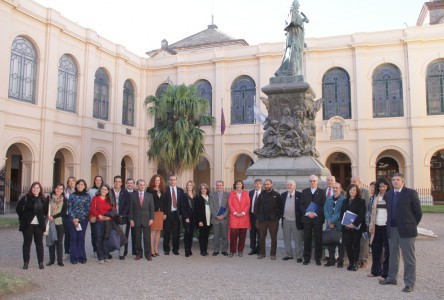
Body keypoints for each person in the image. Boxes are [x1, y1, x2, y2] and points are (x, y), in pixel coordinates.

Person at [379, 173, 422, 293]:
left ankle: (409, 283)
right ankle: (392, 278)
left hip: (406, 230)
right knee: (392, 255)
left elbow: (418, 213)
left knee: (409, 258)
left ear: (403, 181)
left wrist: (410, 224)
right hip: (392, 229)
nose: (395, 181)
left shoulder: (410, 193)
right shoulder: (389, 194)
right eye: (393, 180)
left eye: (398, 180)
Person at [16, 181, 48, 270]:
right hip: (27, 224)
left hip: (39, 225)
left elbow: (46, 211)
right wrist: (24, 217)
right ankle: (26, 263)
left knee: (39, 244)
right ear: (31, 189)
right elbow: (18, 208)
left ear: (40, 189)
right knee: (27, 244)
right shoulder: (26, 197)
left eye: (37, 188)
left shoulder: (43, 199)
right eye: (34, 187)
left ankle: (40, 263)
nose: (35, 189)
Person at [274, 0, 309, 77]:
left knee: (295, 56)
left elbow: (300, 29)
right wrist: (303, 20)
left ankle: (292, 72)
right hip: (293, 38)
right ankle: (287, 72)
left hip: (297, 38)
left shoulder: (296, 13)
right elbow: (292, 22)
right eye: (297, 4)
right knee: (292, 55)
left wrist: (303, 42)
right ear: (294, 4)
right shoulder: (292, 11)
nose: (299, 6)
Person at [300, 175, 326, 265]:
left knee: (318, 239)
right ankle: (306, 258)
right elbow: (301, 205)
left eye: (314, 181)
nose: (312, 182)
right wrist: (307, 213)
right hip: (307, 219)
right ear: (309, 182)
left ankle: (318, 258)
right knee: (307, 239)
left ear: (317, 181)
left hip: (317, 219)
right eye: (311, 181)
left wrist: (315, 213)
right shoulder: (304, 191)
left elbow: (323, 205)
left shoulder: (322, 192)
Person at [254, 179, 282, 260]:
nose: (266, 186)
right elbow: (256, 207)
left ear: (271, 185)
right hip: (262, 221)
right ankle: (262, 253)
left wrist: (277, 217)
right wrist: (259, 217)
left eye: (268, 184)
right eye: (265, 184)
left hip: (273, 221)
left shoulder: (276, 195)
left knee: (274, 238)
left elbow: (280, 208)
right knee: (262, 237)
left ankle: (273, 254)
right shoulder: (261, 195)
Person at [368, 178, 390, 278]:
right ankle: (375, 270)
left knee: (387, 251)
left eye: (384, 186)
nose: (382, 188)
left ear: (387, 187)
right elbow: (372, 213)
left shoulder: (390, 197)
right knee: (375, 249)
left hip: (386, 226)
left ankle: (385, 272)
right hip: (377, 225)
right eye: (380, 186)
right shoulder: (376, 197)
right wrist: (371, 225)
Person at [341, 184, 366, 271]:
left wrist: (354, 224)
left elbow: (361, 214)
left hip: (356, 227)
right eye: (351, 190)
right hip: (346, 227)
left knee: (356, 245)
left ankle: (355, 263)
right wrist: (345, 223)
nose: (352, 191)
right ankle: (351, 262)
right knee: (348, 245)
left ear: (357, 191)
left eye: (354, 190)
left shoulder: (361, 201)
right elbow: (342, 213)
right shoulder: (344, 201)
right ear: (348, 191)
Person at [130, 179, 155, 261]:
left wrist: (151, 218)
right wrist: (131, 219)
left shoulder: (149, 195)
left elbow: (152, 208)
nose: (142, 186)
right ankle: (138, 254)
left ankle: (148, 255)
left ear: (145, 186)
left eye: (143, 185)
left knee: (147, 238)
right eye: (140, 185)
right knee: (137, 238)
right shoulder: (132, 195)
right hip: (136, 219)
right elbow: (131, 209)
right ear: (137, 185)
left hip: (147, 220)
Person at [67, 179, 91, 264]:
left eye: (82, 184)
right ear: (76, 186)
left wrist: (79, 219)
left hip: (83, 220)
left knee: (81, 238)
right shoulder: (72, 195)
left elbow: (87, 209)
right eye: (78, 184)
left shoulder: (87, 196)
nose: (80, 186)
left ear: (84, 186)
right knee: (73, 238)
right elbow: (69, 208)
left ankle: (82, 256)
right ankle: (73, 257)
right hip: (72, 220)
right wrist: (74, 218)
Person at [89, 184, 114, 264]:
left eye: (105, 189)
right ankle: (101, 257)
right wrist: (98, 215)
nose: (104, 191)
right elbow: (92, 209)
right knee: (98, 239)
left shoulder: (109, 200)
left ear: (108, 191)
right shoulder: (95, 198)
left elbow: (113, 211)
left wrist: (110, 218)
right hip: (98, 221)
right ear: (100, 190)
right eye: (102, 189)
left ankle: (106, 256)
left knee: (106, 239)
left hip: (107, 221)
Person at [323, 182, 346, 268]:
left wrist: (332, 221)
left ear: (340, 189)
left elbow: (341, 212)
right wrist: (329, 221)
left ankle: (340, 261)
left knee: (341, 244)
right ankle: (331, 260)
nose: (335, 189)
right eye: (334, 188)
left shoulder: (344, 199)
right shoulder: (328, 199)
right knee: (330, 243)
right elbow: (325, 210)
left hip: (339, 224)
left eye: (337, 188)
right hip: (330, 224)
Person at [281, 180, 303, 262]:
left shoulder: (299, 195)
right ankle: (289, 255)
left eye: (291, 185)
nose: (289, 186)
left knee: (298, 239)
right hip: (286, 219)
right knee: (287, 238)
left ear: (295, 186)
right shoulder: (283, 195)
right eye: (288, 185)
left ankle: (299, 256)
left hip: (296, 220)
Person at [46, 183, 68, 267]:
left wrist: (53, 216)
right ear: (55, 189)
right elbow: (45, 209)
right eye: (57, 188)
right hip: (50, 222)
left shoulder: (64, 200)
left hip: (59, 222)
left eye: (61, 189)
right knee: (51, 241)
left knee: (59, 242)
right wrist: (48, 216)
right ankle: (51, 260)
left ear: (63, 190)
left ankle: (59, 260)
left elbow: (64, 212)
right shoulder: (49, 198)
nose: (59, 190)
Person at [351, 175, 371, 268]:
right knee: (355, 241)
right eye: (352, 181)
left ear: (359, 182)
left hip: (363, 221)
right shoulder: (350, 192)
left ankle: (364, 260)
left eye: (355, 181)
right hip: (352, 221)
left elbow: (367, 207)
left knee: (364, 241)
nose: (353, 183)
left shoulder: (365, 192)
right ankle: (356, 259)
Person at [227, 180, 250, 258]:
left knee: (242, 235)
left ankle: (240, 251)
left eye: (240, 184)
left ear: (242, 185)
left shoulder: (246, 193)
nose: (238, 185)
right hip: (234, 216)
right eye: (237, 184)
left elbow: (248, 204)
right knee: (233, 235)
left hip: (244, 217)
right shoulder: (231, 193)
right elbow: (230, 204)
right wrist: (235, 213)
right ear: (235, 185)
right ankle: (232, 251)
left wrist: (243, 213)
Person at [110, 175, 131, 260]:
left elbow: (127, 205)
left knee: (122, 235)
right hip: (112, 217)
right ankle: (110, 252)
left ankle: (121, 253)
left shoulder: (125, 192)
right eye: (116, 181)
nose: (117, 183)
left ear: (121, 183)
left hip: (122, 218)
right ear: (114, 182)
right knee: (111, 235)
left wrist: (122, 214)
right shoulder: (110, 192)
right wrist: (112, 214)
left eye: (119, 181)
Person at [146, 174, 166, 257]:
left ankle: (156, 248)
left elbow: (165, 202)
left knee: (158, 231)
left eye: (158, 180)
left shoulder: (163, 190)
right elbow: (147, 202)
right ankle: (151, 249)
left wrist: (165, 213)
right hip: (152, 212)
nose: (157, 182)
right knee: (152, 231)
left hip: (160, 213)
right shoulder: (149, 190)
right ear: (153, 181)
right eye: (156, 180)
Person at [163, 175, 183, 255]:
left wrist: (181, 214)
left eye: (174, 180)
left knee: (176, 233)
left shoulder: (180, 190)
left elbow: (181, 203)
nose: (172, 181)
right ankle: (166, 249)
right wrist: (164, 213)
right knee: (167, 232)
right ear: (169, 181)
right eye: (171, 180)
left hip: (176, 214)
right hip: (168, 214)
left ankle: (175, 249)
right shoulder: (165, 190)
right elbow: (163, 203)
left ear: (176, 180)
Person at [209, 180, 229, 256]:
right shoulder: (212, 194)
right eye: (217, 185)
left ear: (223, 186)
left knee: (225, 235)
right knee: (216, 235)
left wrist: (223, 215)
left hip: (224, 218)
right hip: (215, 219)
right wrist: (216, 215)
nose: (219, 187)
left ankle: (224, 250)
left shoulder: (227, 194)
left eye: (220, 185)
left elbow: (228, 206)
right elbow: (211, 206)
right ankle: (216, 250)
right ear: (216, 186)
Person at [194, 183, 212, 256]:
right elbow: (197, 211)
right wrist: (200, 221)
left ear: (207, 189)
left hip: (209, 219)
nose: (203, 190)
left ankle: (205, 250)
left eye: (205, 188)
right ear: (200, 190)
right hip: (202, 220)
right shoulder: (198, 198)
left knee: (206, 235)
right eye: (202, 188)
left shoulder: (209, 197)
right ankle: (202, 251)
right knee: (202, 235)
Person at [88, 175, 104, 259]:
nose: (98, 181)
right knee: (94, 233)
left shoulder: (104, 190)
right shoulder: (90, 191)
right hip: (93, 214)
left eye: (99, 180)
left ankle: (103, 249)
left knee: (103, 233)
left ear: (102, 181)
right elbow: (89, 202)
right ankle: (95, 250)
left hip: (103, 215)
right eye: (96, 180)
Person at [181, 180, 196, 257]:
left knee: (191, 234)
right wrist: (186, 217)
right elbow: (182, 207)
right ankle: (186, 250)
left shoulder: (195, 195)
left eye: (190, 185)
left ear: (193, 186)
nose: (189, 186)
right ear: (186, 186)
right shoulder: (184, 195)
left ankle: (189, 249)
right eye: (188, 185)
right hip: (187, 217)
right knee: (187, 233)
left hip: (193, 217)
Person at [63, 176, 76, 261]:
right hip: (66, 215)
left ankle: (74, 251)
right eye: (69, 181)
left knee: (74, 234)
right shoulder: (64, 192)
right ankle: (67, 251)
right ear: (67, 183)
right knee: (67, 234)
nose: (71, 183)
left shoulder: (77, 191)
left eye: (73, 181)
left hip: (75, 215)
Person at [248, 179, 262, 255]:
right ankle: (253, 249)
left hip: (260, 217)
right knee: (252, 233)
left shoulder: (264, 193)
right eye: (255, 184)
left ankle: (259, 249)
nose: (256, 185)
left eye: (258, 184)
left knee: (260, 234)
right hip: (252, 216)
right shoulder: (251, 193)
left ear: (261, 185)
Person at [125, 178, 136, 256]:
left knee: (135, 235)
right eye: (128, 183)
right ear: (126, 184)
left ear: (133, 184)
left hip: (135, 217)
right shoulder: (123, 192)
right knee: (125, 235)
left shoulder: (136, 193)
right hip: (125, 217)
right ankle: (124, 251)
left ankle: (134, 251)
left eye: (131, 183)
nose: (130, 184)